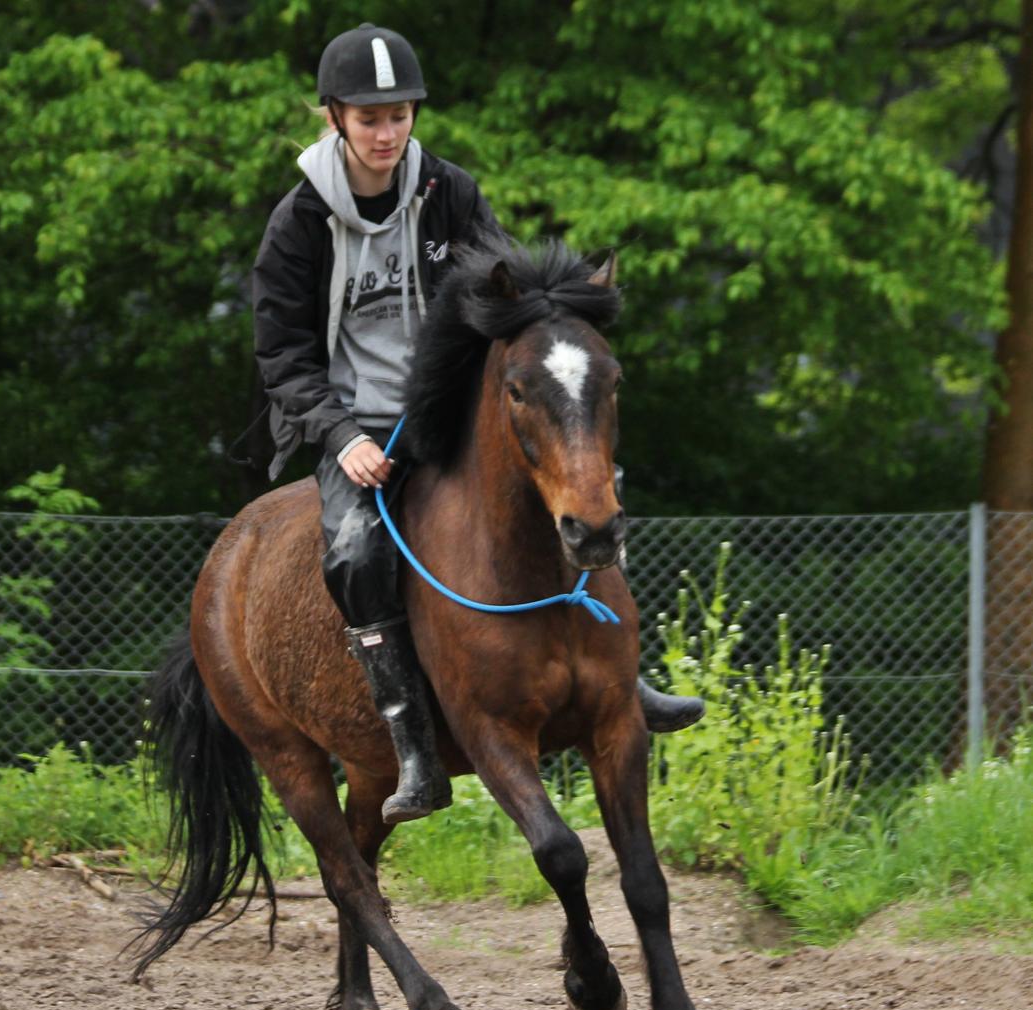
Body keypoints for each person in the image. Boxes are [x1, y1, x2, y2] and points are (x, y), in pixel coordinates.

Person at [252, 23, 702, 825]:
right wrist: (339, 437)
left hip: (450, 413)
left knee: (579, 485)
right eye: (368, 118)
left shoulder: (450, 192)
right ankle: (414, 745)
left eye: (400, 115)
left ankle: (622, 678)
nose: (387, 133)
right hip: (354, 427)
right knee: (356, 552)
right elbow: (281, 352)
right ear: (334, 119)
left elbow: (509, 303)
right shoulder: (298, 223)